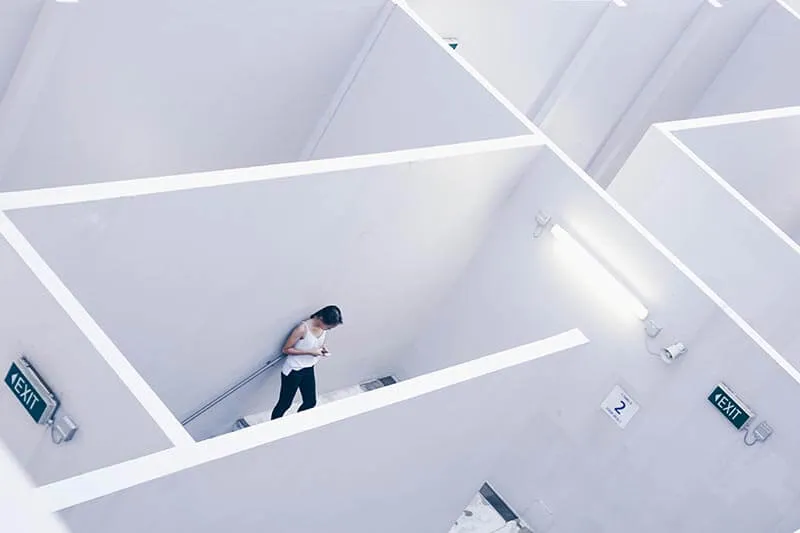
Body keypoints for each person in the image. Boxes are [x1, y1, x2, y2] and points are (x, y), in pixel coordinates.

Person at [271, 305, 343, 419]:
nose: (328, 330)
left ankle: (298, 424)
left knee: (310, 402)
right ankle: (272, 427)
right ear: (321, 319)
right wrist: (310, 352)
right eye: (328, 327)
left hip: (308, 368)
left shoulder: (323, 328)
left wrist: (323, 348)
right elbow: (286, 349)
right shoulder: (302, 329)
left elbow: (316, 343)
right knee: (285, 404)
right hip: (294, 370)